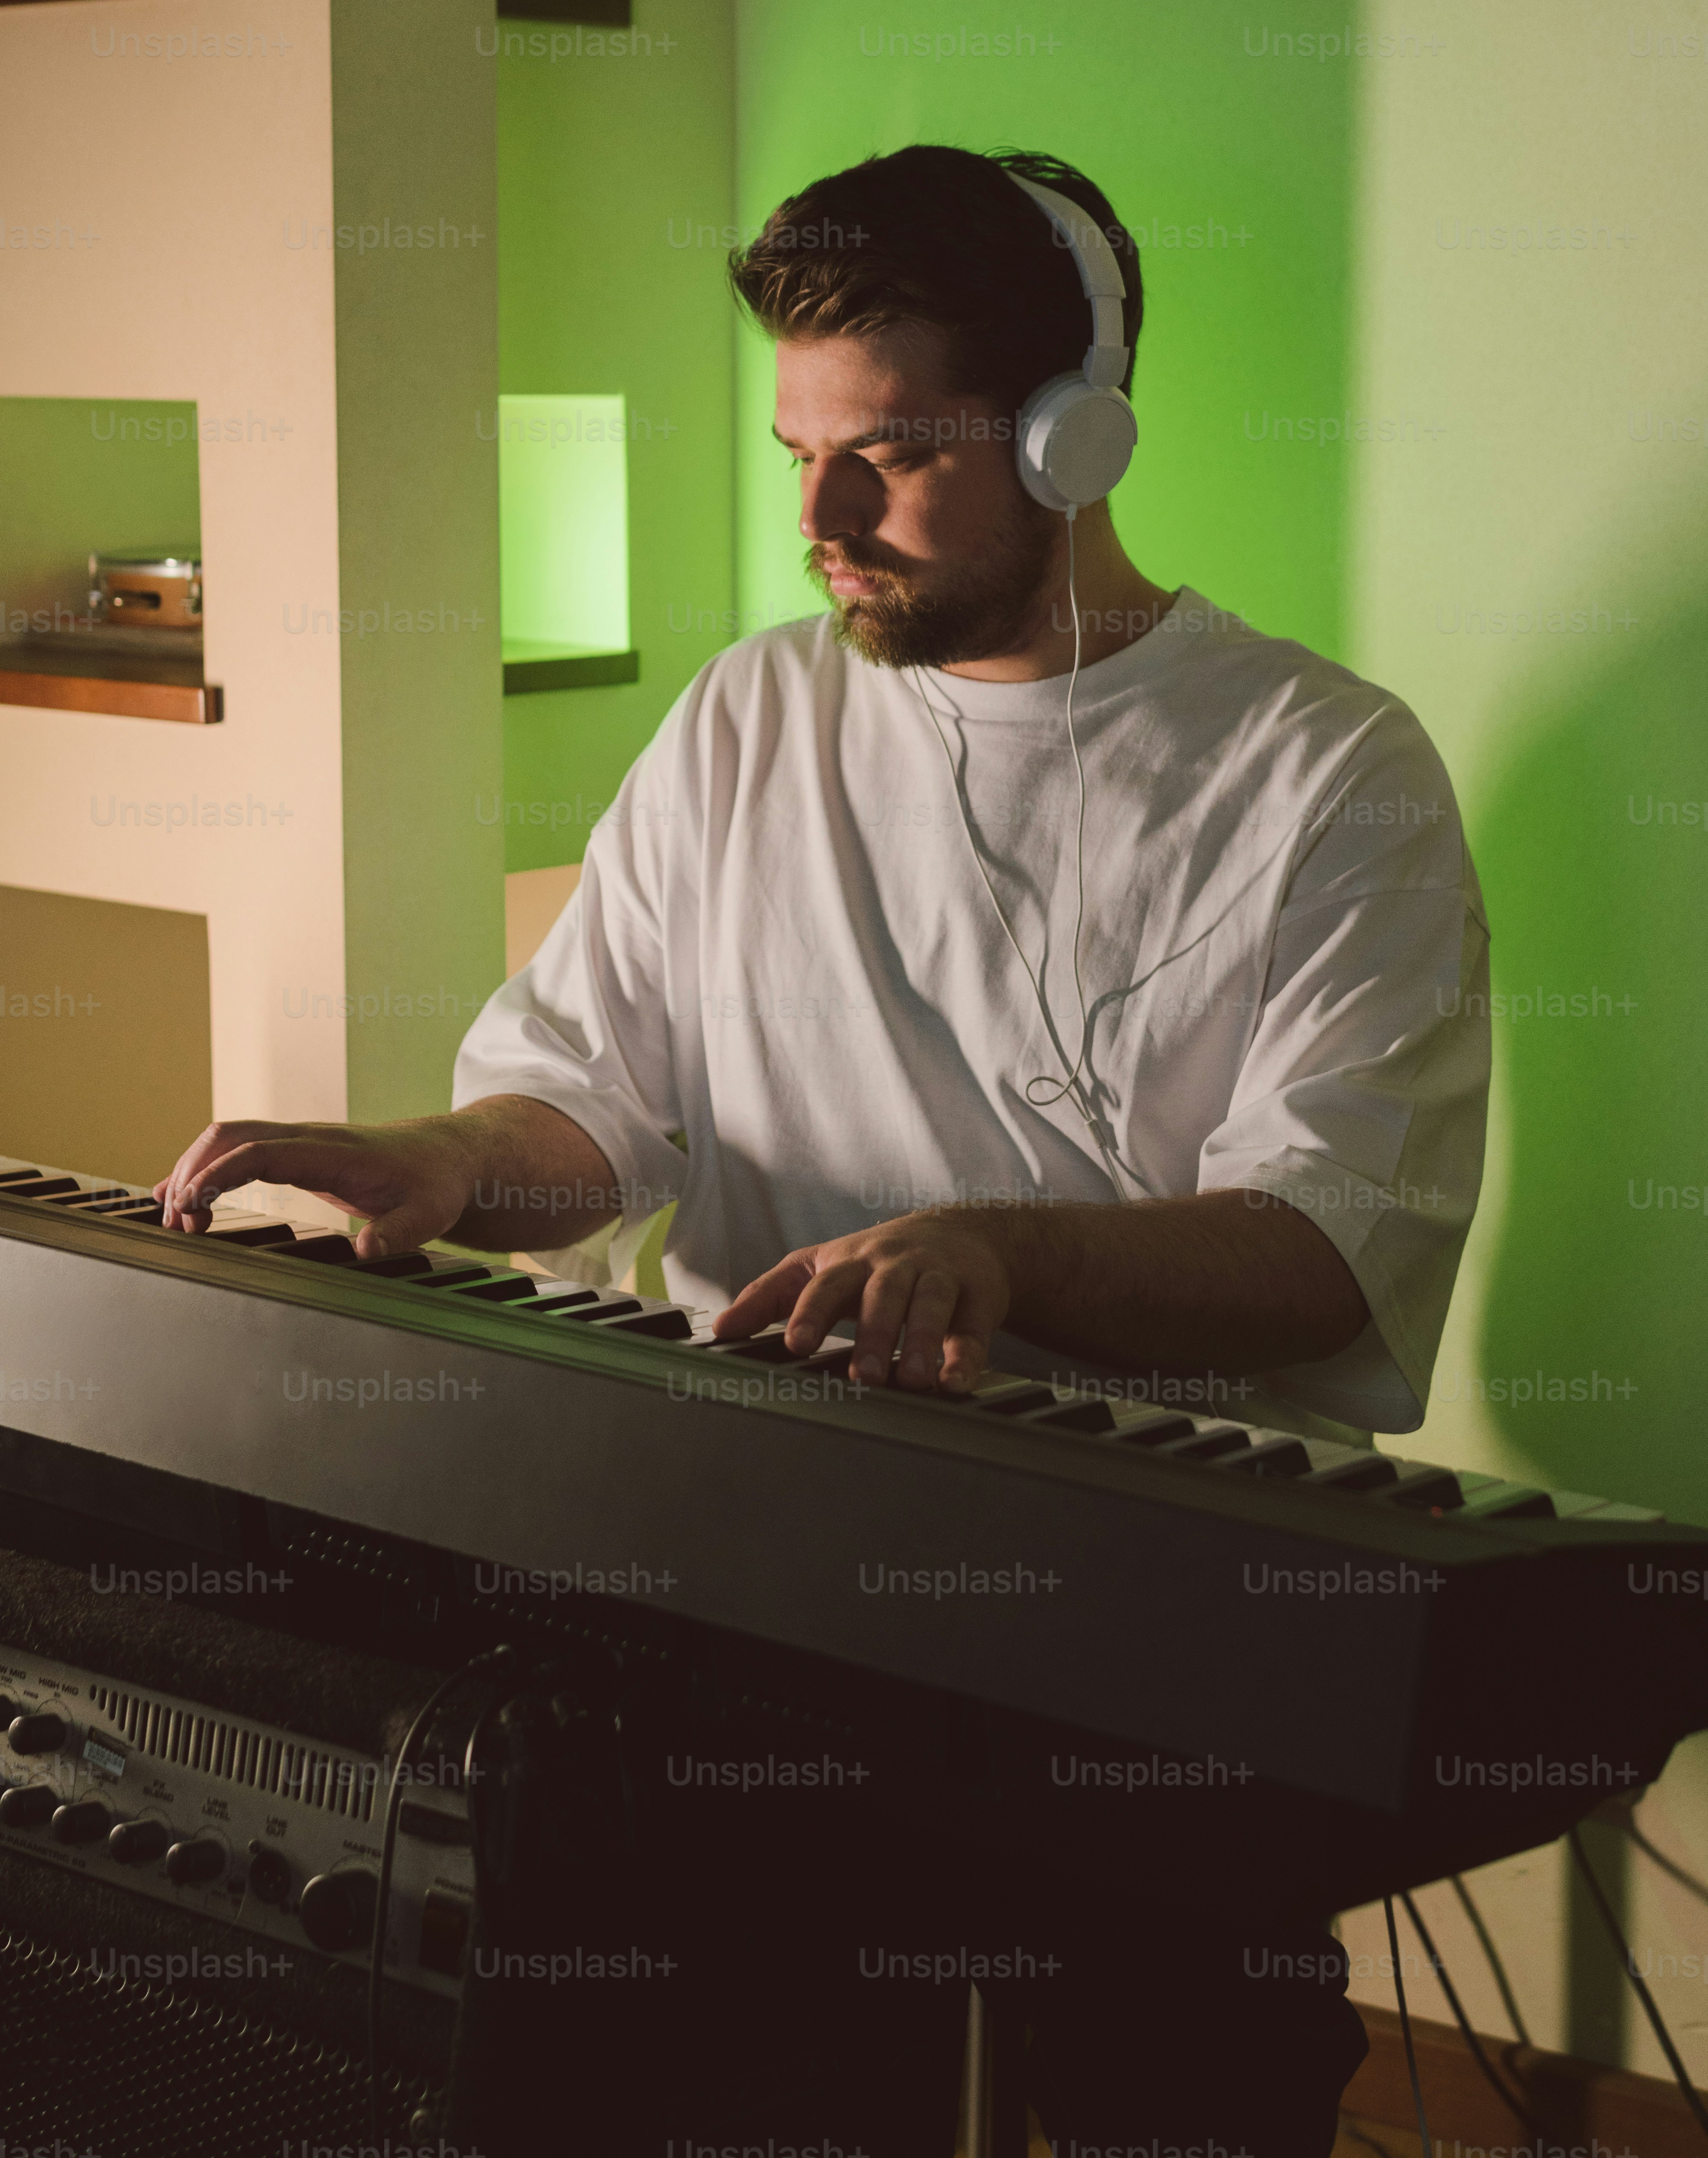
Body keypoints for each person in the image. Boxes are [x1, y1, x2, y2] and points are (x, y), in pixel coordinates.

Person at [158, 143, 1491, 2153]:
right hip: (757, 1579)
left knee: (1178, 2085)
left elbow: (1327, 1248)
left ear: (1073, 435)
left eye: (891, 457)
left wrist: (999, 1251)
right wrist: (444, 1161)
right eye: (798, 455)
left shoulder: (1326, 772)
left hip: (1148, 1631)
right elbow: (593, 1102)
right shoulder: (745, 720)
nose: (821, 521)